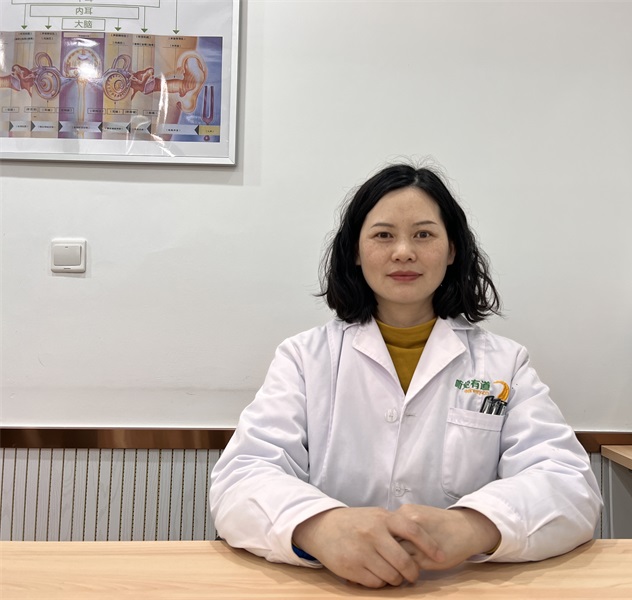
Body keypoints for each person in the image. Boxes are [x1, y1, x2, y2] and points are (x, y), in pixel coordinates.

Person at [208, 163, 602, 588]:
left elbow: (569, 484)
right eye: (383, 235)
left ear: (452, 250)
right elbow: (242, 475)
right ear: (355, 252)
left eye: (423, 235)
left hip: (454, 585)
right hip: (333, 586)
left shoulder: (504, 363)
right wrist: (319, 527)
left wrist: (474, 525)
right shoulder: (305, 358)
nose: (403, 252)